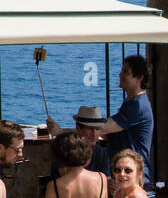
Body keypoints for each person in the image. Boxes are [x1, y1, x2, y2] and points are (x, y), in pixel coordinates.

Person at [48, 57, 154, 187]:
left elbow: (101, 128)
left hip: (133, 176)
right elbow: (109, 134)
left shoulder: (138, 106)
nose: (120, 74)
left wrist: (61, 131)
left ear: (139, 78)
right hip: (126, 173)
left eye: (126, 72)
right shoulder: (131, 103)